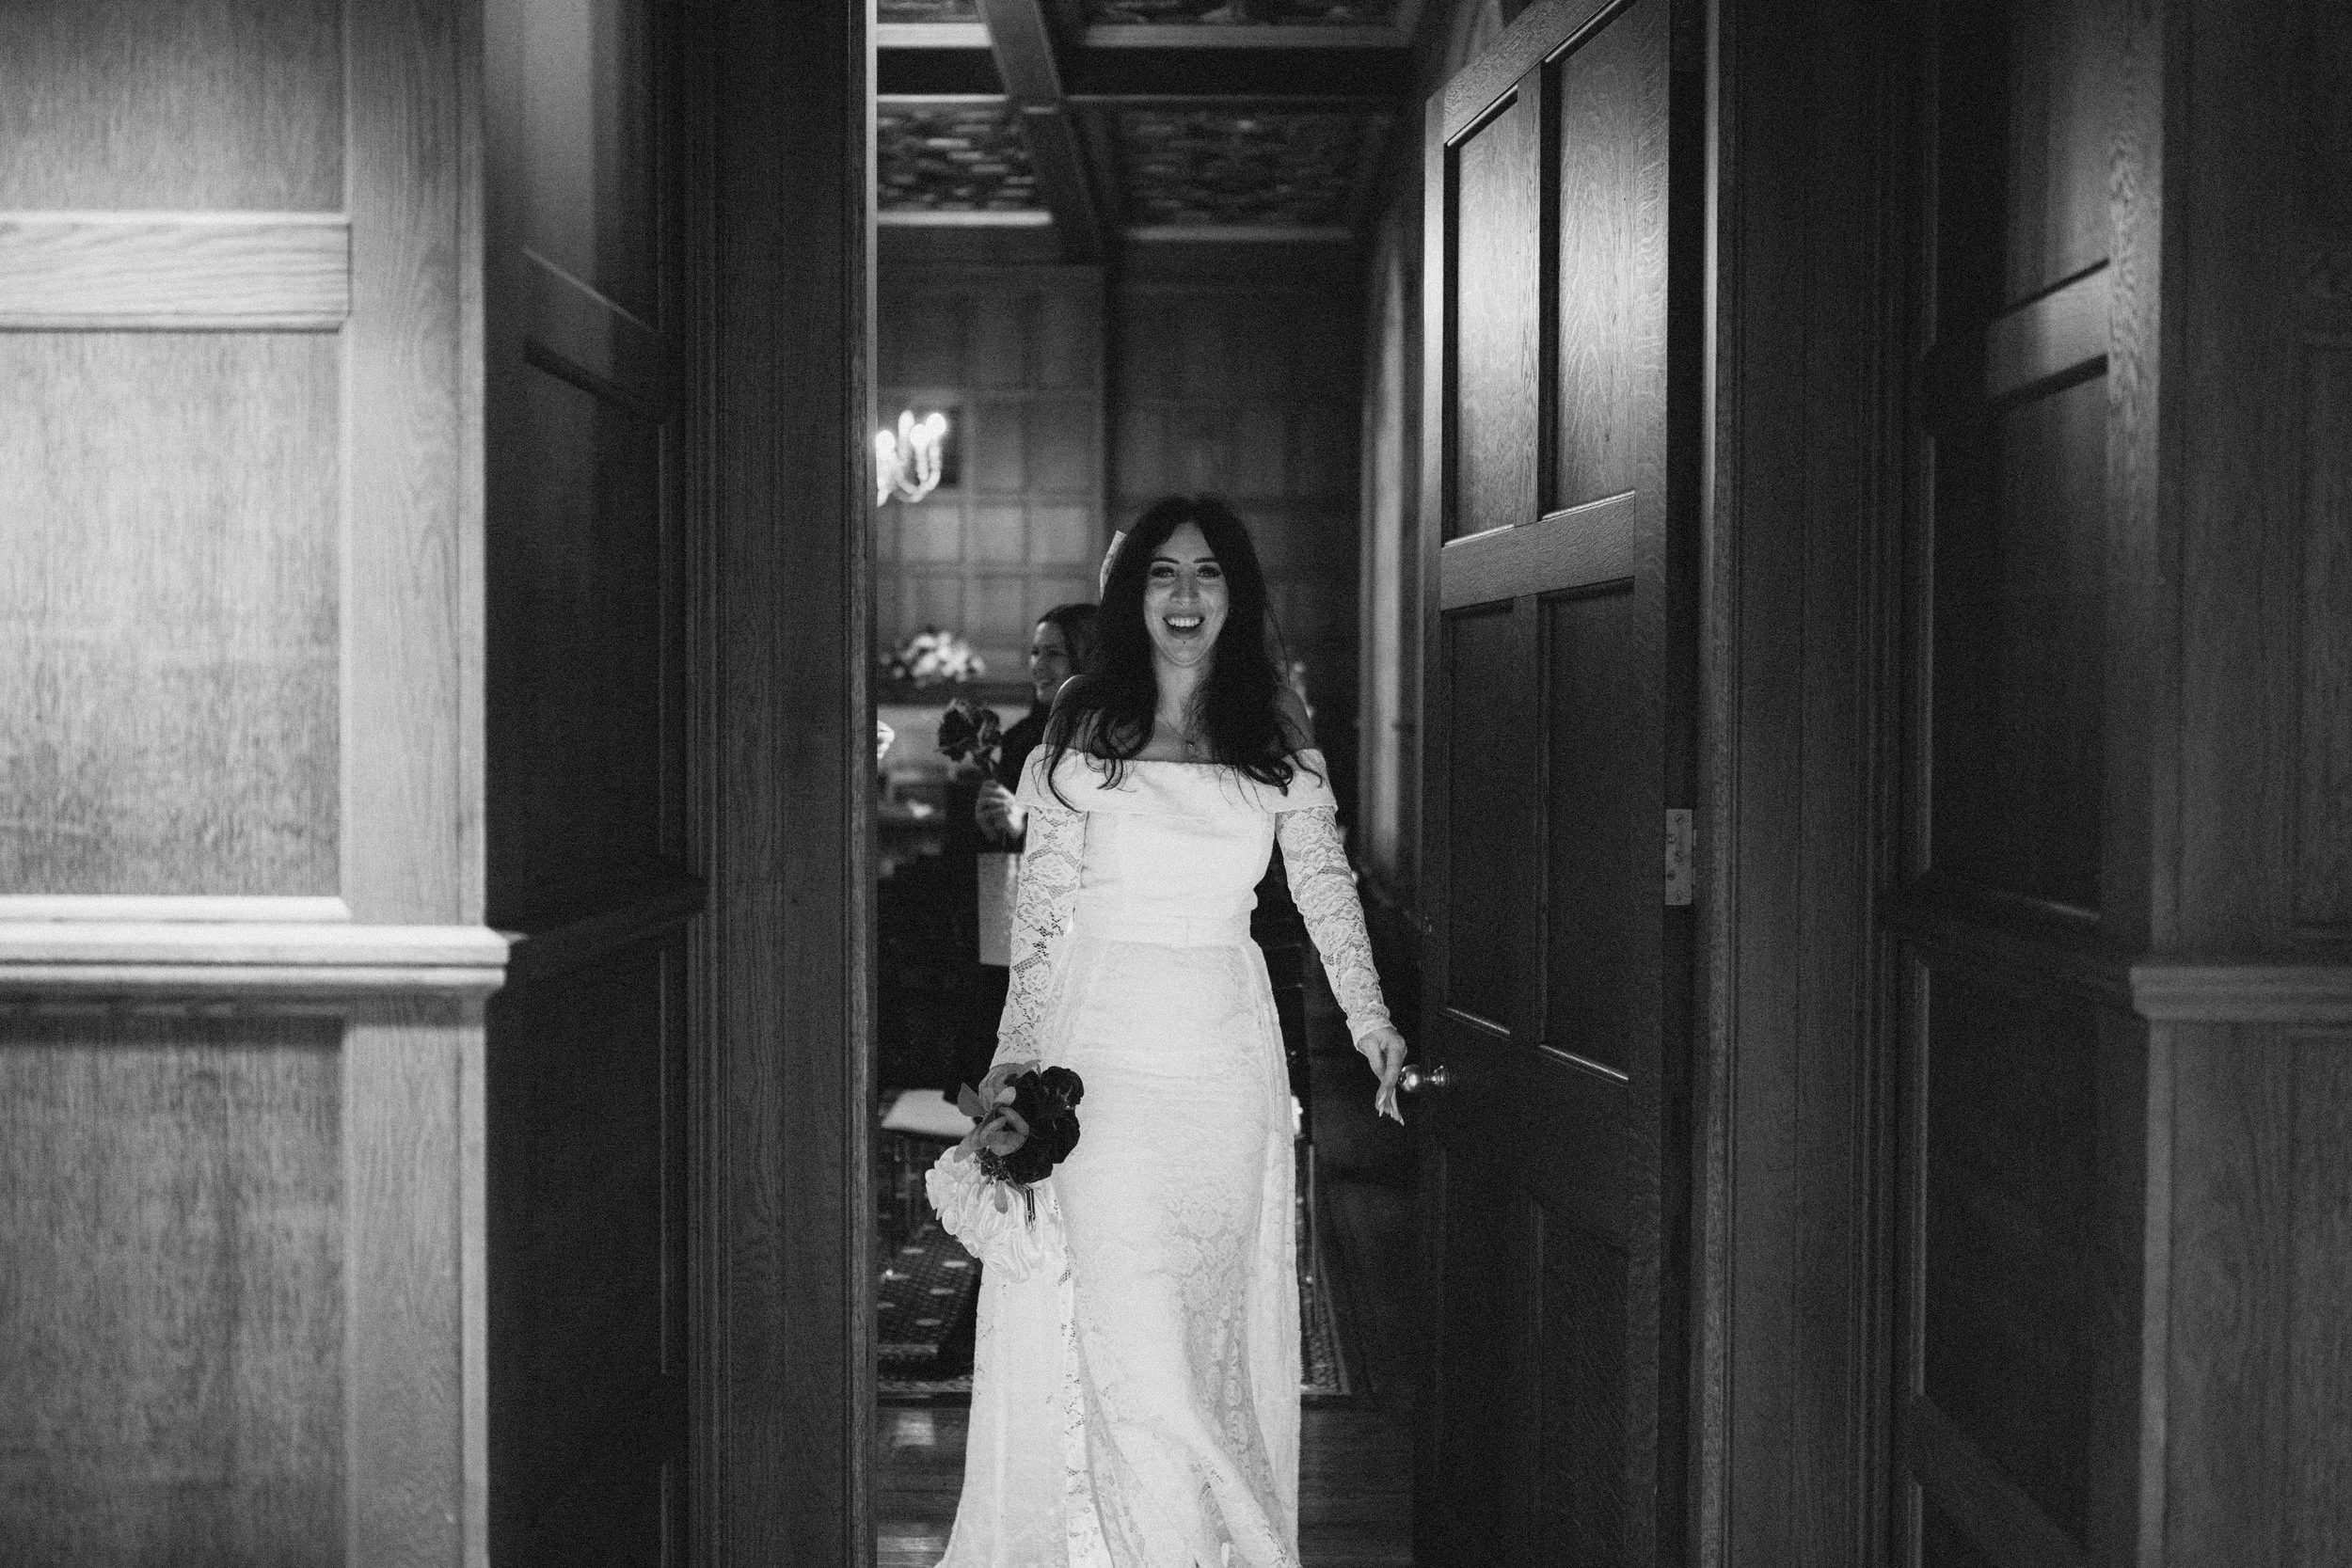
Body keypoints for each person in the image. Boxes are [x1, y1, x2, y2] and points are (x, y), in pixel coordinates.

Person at [937, 496, 1406, 1568]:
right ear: (1132, 593)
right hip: (1101, 1052)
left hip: (1225, 1053)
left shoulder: (1273, 722)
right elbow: (1042, 907)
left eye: (1207, 572)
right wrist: (1013, 1057)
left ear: (1235, 593)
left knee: (1202, 1334)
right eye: (1163, 572)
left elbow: (1323, 885)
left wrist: (1370, 1017)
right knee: (1127, 1326)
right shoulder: (1082, 718)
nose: (1185, 594)